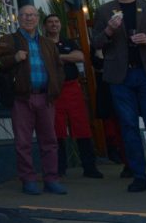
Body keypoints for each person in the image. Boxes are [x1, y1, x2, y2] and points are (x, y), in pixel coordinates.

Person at [92, 0, 146, 192]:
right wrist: (109, 31)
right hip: (120, 77)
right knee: (128, 126)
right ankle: (139, 176)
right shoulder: (104, 11)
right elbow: (96, 43)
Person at [0, 5, 66, 195]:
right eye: (25, 15)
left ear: (37, 19)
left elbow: (59, 69)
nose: (29, 18)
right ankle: (28, 180)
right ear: (18, 18)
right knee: (23, 142)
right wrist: (14, 58)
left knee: (49, 141)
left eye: (33, 15)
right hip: (22, 98)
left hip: (45, 98)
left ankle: (51, 179)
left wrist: (55, 88)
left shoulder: (48, 43)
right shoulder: (8, 40)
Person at [42, 14, 103, 179]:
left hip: (72, 88)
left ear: (60, 25)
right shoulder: (42, 43)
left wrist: (59, 57)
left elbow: (80, 56)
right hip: (53, 90)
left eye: (56, 22)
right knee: (57, 129)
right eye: (50, 22)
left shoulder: (68, 42)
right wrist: (66, 58)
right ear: (45, 26)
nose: (54, 25)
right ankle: (60, 168)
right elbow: (42, 60)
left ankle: (89, 167)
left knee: (81, 126)